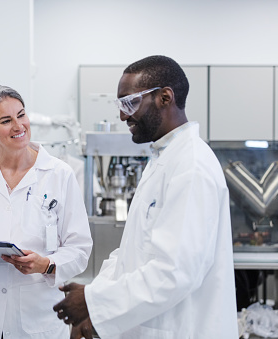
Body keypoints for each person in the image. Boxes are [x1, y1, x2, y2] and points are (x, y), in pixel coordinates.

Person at [53, 56, 238, 338]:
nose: (123, 116)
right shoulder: (163, 158)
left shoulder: (191, 166)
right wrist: (94, 299)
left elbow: (174, 272)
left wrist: (94, 303)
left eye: (129, 103)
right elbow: (132, 252)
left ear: (165, 97)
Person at [0, 85, 93, 339]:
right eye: (6, 120)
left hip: (37, 320)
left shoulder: (59, 174)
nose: (18, 126)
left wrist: (46, 264)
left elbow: (79, 249)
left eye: (21, 115)